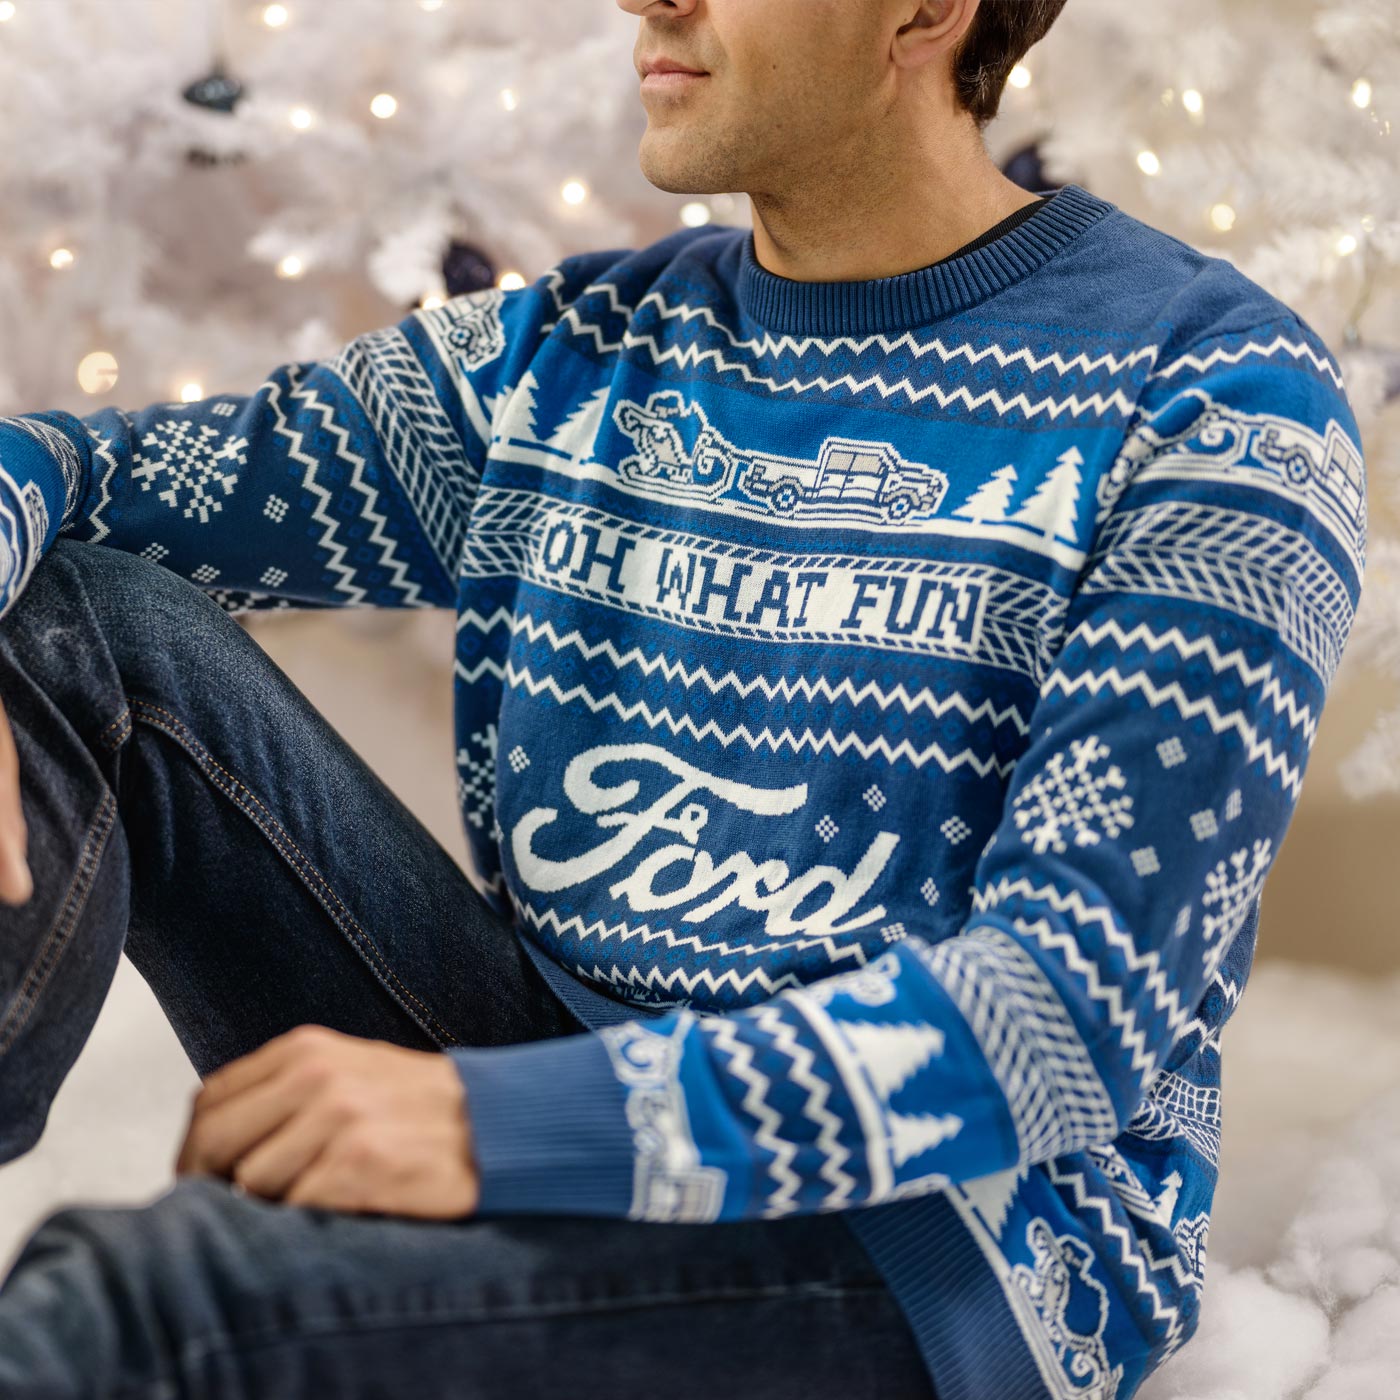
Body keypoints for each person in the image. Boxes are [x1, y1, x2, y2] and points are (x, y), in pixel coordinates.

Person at [0, 0, 1367, 1395]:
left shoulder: (1217, 404)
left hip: (939, 1239)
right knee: (77, 626)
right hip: (554, 1081)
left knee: (147, 1300)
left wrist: (498, 1126)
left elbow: (1068, 1019)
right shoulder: (573, 356)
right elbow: (70, 470)